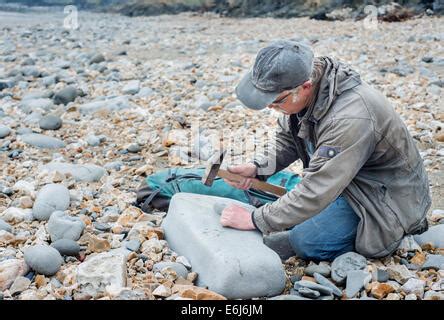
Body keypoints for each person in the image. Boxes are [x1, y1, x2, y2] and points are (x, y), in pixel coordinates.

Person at [220, 40, 431, 261]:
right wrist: (257, 169)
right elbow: (288, 141)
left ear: (305, 87)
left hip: (385, 198)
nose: (272, 109)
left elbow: (315, 190)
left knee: (308, 242)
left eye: (276, 102)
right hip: (347, 177)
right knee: (294, 210)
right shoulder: (308, 91)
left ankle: (399, 230)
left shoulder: (350, 116)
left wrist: (255, 220)